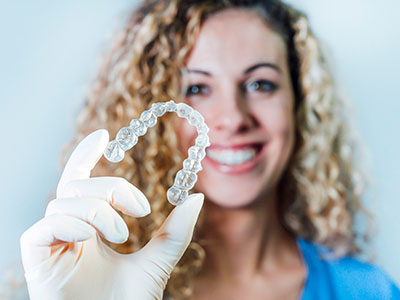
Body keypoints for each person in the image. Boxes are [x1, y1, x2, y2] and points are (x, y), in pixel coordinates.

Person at [19, 0, 400, 299]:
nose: (233, 117)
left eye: (260, 84)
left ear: (300, 104)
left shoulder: (369, 292)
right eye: (197, 88)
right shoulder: (103, 277)